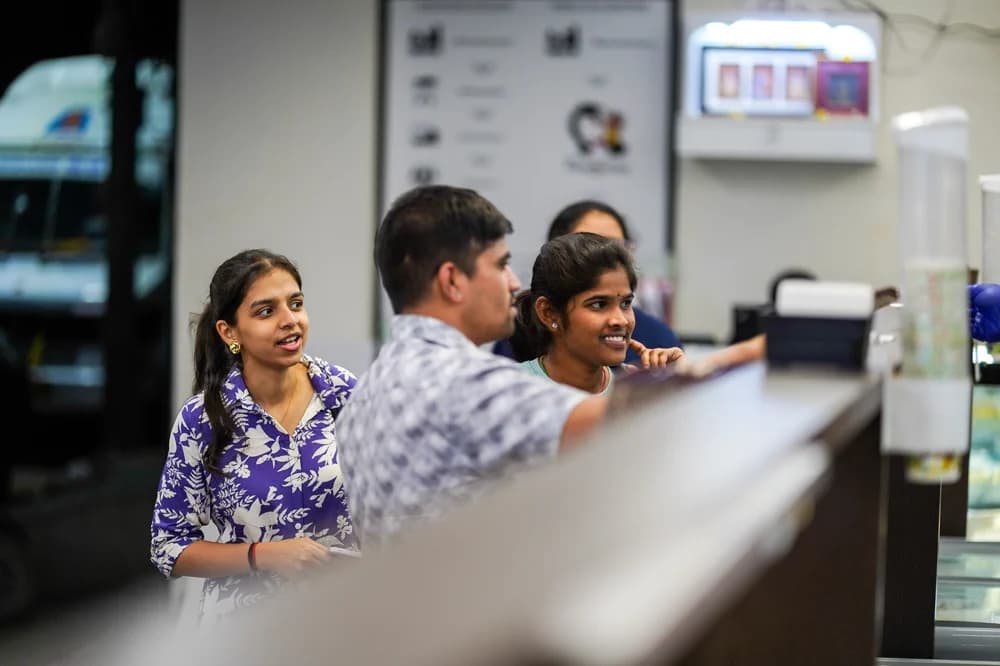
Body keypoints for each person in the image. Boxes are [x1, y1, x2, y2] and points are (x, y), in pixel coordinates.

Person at [337, 186, 607, 546]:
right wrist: (683, 375)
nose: (514, 283)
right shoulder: (461, 381)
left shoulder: (364, 394)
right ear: (452, 281)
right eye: (501, 265)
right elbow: (616, 422)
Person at [150, 249, 358, 624]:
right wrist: (263, 555)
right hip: (244, 632)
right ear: (229, 332)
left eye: (296, 304)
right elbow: (169, 547)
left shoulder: (344, 395)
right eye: (266, 311)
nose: (289, 320)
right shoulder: (202, 419)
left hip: (343, 624)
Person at [511, 232, 683, 394]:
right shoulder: (511, 390)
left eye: (625, 303)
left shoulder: (633, 390)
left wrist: (676, 385)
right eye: (599, 304)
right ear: (548, 313)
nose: (621, 320)